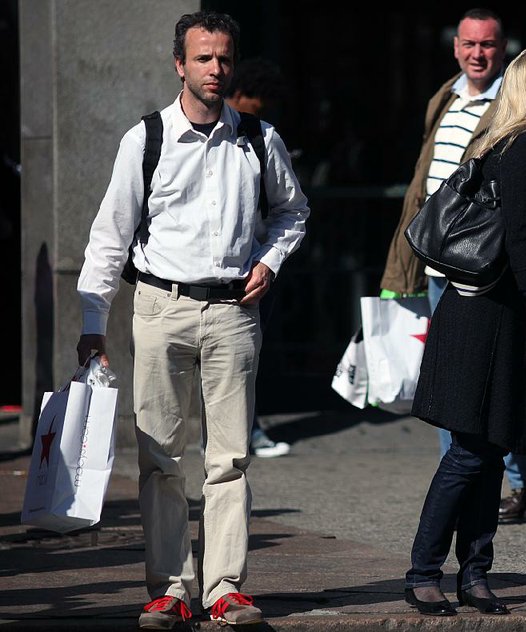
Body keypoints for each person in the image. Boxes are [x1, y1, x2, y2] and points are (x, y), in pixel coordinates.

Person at [75, 11, 309, 629]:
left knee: (229, 458)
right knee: (160, 457)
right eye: (203, 58)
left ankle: (225, 587)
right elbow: (109, 235)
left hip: (234, 310)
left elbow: (294, 212)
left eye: (224, 58)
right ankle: (169, 588)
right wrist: (92, 321)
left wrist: (271, 261)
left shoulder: (259, 138)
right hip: (159, 306)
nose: (215, 69)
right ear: (179, 63)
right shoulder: (145, 139)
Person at [403, 44, 526, 617]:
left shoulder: (508, 139)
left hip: (487, 311)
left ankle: (475, 574)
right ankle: (424, 570)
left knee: (489, 445)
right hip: (490, 314)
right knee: (469, 451)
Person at [378, 6, 526, 522]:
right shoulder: (445, 97)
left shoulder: (511, 104)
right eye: (469, 44)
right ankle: (510, 481)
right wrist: (400, 268)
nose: (478, 54)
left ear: (504, 49)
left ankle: (509, 483)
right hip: (439, 265)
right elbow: (421, 183)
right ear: (456, 47)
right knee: (451, 393)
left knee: (482, 394)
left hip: (481, 268)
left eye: (488, 45)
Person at [225, 57, 291, 459]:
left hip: (256, 258)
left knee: (249, 352)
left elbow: (290, 208)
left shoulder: (261, 137)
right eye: (255, 103)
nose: (258, 114)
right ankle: (244, 429)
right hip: (225, 262)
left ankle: (247, 427)